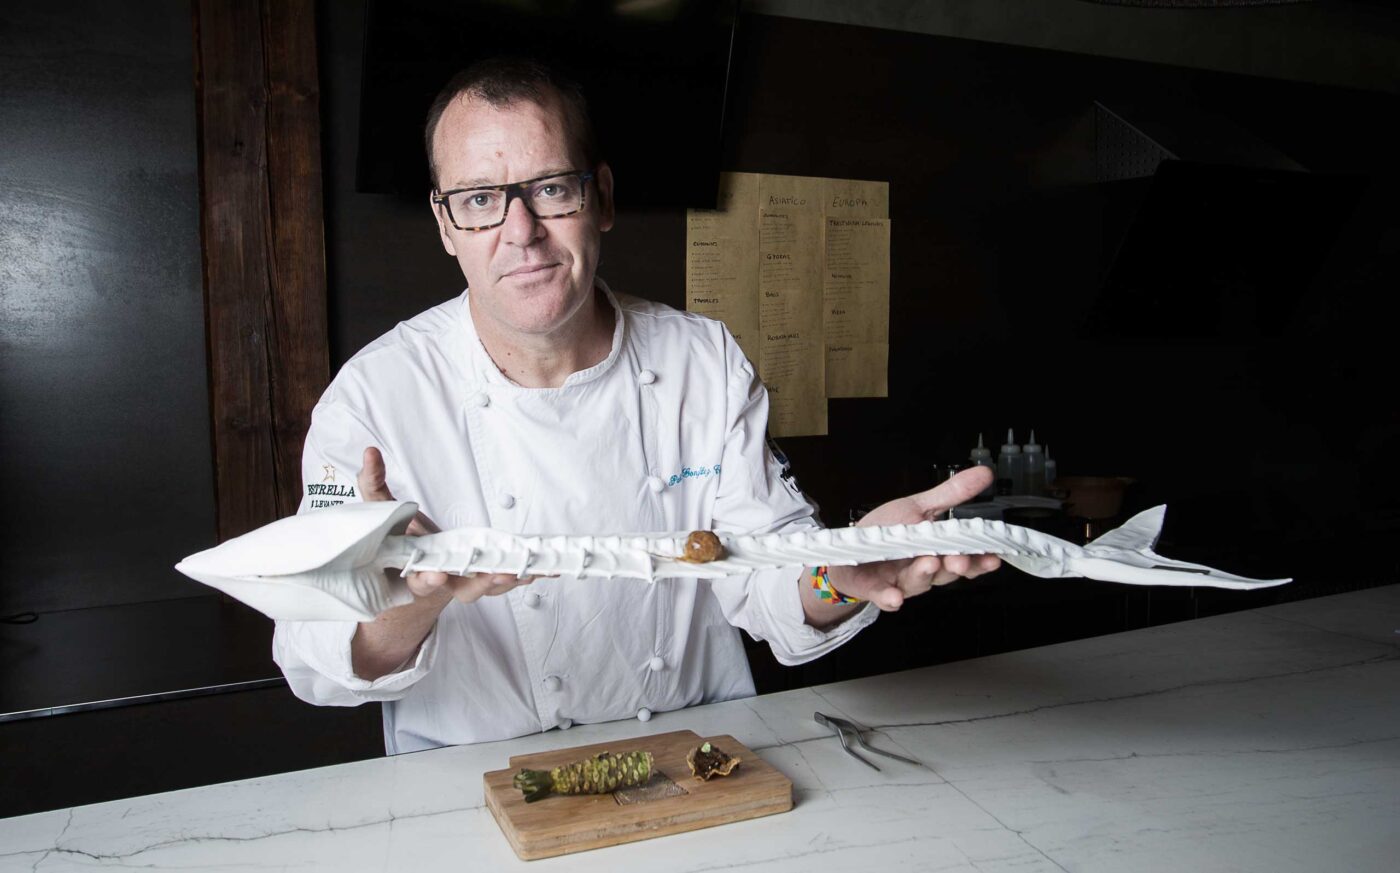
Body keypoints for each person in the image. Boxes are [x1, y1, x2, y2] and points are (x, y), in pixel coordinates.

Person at [272, 58, 999, 754]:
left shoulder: (701, 362)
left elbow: (769, 572)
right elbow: (313, 655)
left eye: (552, 188)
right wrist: (414, 601)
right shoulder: (373, 398)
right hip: (473, 789)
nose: (520, 231)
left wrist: (839, 572)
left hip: (695, 764)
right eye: (480, 200)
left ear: (603, 198)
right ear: (445, 225)